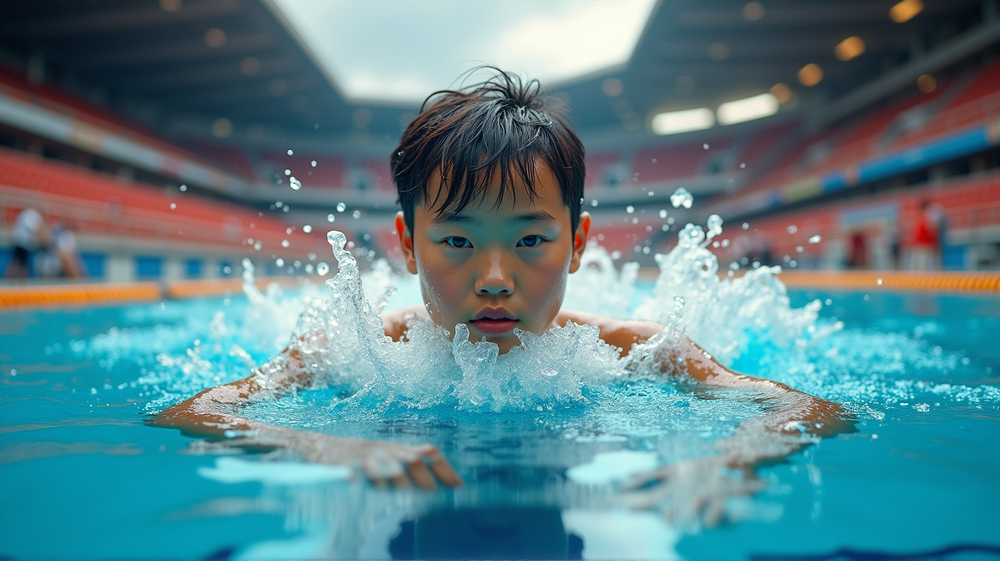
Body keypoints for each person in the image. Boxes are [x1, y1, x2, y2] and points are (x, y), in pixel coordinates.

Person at [152, 70, 851, 526]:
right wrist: (322, 446)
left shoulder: (633, 349)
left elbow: (809, 408)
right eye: (456, 243)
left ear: (577, 243)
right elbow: (195, 410)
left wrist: (727, 458)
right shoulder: (365, 345)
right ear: (407, 241)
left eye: (529, 242)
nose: (493, 277)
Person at [5, 207, 48, 279]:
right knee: (22, 263)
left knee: (16, 261)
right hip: (23, 243)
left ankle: (10, 279)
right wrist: (42, 241)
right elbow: (35, 230)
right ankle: (20, 281)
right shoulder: (34, 215)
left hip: (18, 240)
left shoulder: (25, 213)